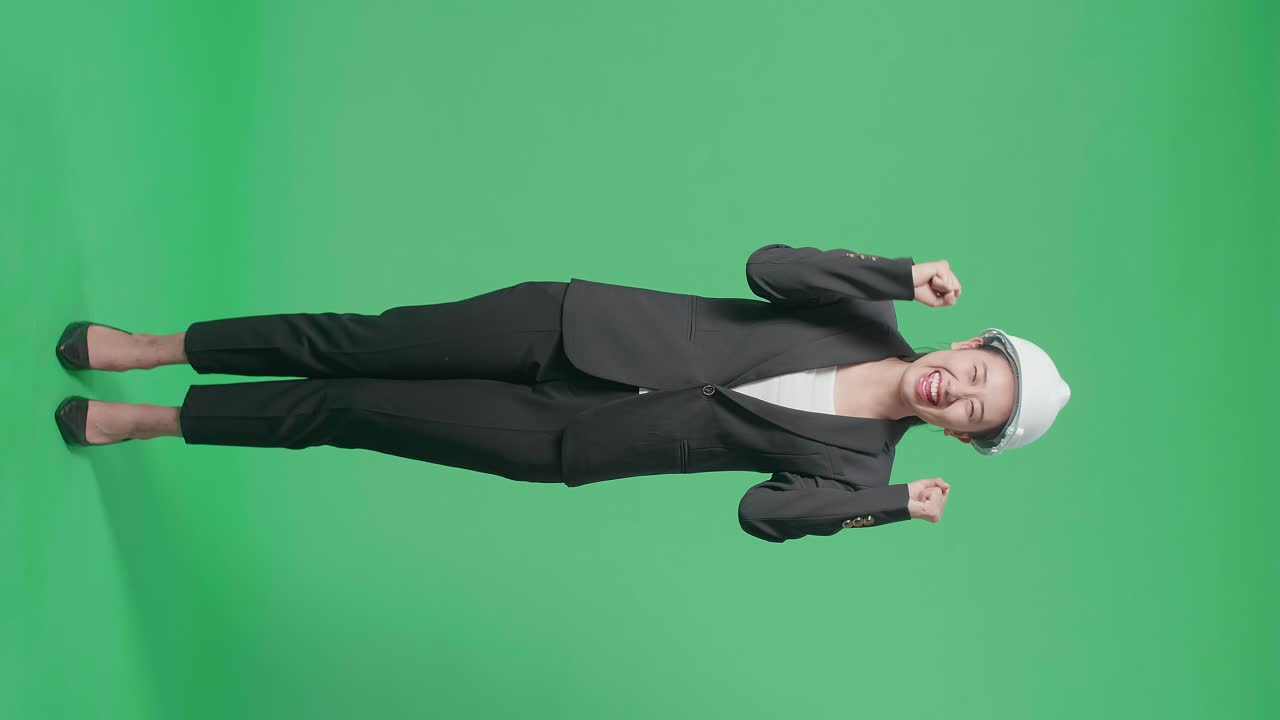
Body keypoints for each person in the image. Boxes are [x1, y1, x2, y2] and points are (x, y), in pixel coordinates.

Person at [52, 244, 1070, 542]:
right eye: (978, 373)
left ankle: (159, 421)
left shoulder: (858, 470)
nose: (959, 392)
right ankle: (157, 348)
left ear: (960, 437)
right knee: (358, 342)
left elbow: (762, 514)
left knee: (349, 409)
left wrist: (887, 504)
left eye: (974, 412)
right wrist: (892, 273)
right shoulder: (866, 310)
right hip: (572, 324)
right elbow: (767, 268)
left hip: (573, 437)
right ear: (964, 342)